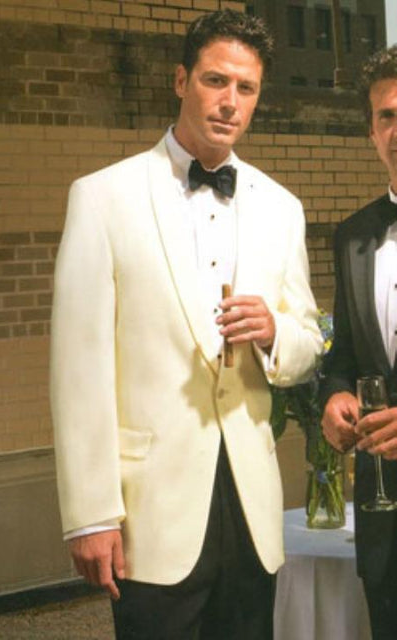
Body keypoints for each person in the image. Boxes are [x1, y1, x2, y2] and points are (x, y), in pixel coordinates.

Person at [50, 9, 322, 640]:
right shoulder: (102, 198)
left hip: (251, 509)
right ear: (181, 81)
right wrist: (90, 514)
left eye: (246, 88)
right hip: (151, 513)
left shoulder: (282, 208)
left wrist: (275, 333)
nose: (230, 102)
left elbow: (310, 342)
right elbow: (78, 371)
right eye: (215, 80)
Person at [320, 45, 397, 640]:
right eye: (387, 116)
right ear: (371, 131)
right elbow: (344, 353)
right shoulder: (352, 237)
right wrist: (334, 395)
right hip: (384, 515)